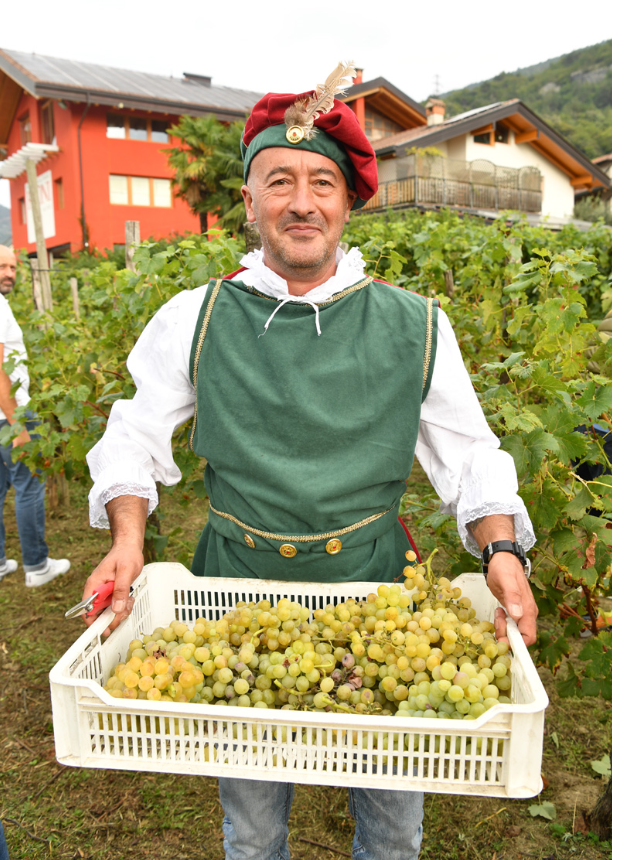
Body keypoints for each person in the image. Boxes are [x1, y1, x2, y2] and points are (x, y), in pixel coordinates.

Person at [82, 65, 538, 860]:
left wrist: (501, 551)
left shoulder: (415, 325)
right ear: (250, 201)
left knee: (393, 826)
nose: (302, 201)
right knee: (253, 831)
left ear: (348, 201)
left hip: (376, 594)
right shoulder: (197, 316)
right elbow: (133, 435)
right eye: (279, 180)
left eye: (322, 182)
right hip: (234, 600)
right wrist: (127, 538)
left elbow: (469, 456)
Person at [0, 245, 70, 586]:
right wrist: (17, 424)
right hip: (11, 413)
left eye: (13, 267)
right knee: (29, 486)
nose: (9, 273)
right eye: (2, 266)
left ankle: (0, 561)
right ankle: (37, 567)